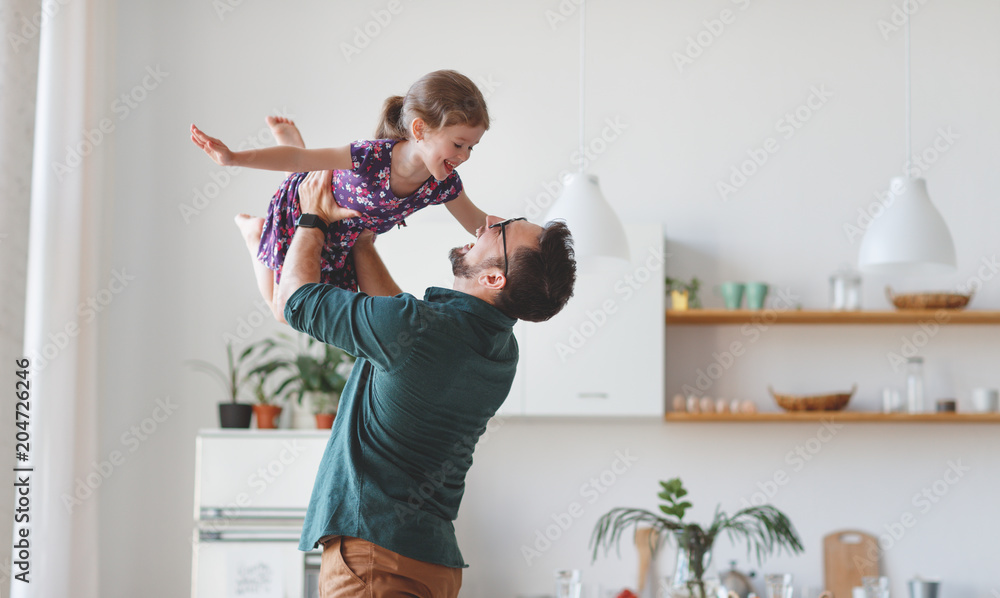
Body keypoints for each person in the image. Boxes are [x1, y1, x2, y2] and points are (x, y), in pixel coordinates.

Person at [276, 168, 576, 597]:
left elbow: (294, 299)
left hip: (375, 561)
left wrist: (313, 217)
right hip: (430, 563)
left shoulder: (419, 329)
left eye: (504, 230)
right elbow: (400, 334)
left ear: (494, 278)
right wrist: (362, 242)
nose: (489, 222)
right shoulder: (499, 350)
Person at [190, 69, 492, 319]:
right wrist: (233, 158)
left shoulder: (443, 184)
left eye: (471, 147)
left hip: (342, 241)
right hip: (303, 212)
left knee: (311, 310)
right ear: (420, 129)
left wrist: (532, 237)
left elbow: (480, 223)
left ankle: (296, 155)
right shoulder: (371, 156)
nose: (464, 156)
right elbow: (297, 159)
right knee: (284, 312)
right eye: (458, 144)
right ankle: (254, 234)